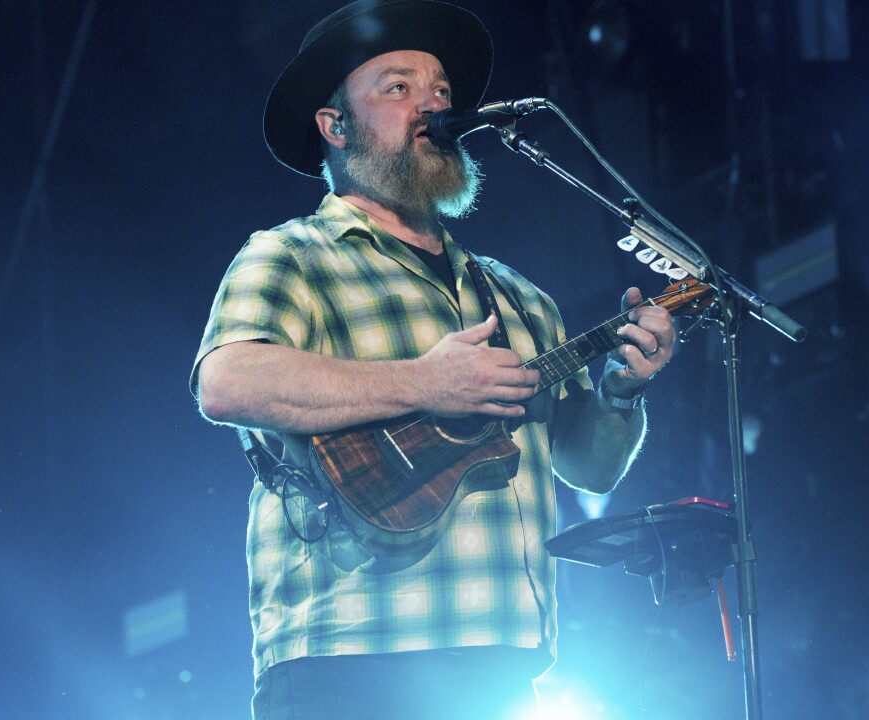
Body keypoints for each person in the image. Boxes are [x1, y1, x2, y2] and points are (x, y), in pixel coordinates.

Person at [191, 2, 676, 718]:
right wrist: (425, 382)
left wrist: (622, 392)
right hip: (348, 661)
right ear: (335, 125)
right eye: (399, 87)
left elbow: (590, 468)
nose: (433, 104)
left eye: (441, 89)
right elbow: (227, 383)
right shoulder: (292, 255)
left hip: (500, 670)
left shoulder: (520, 299)